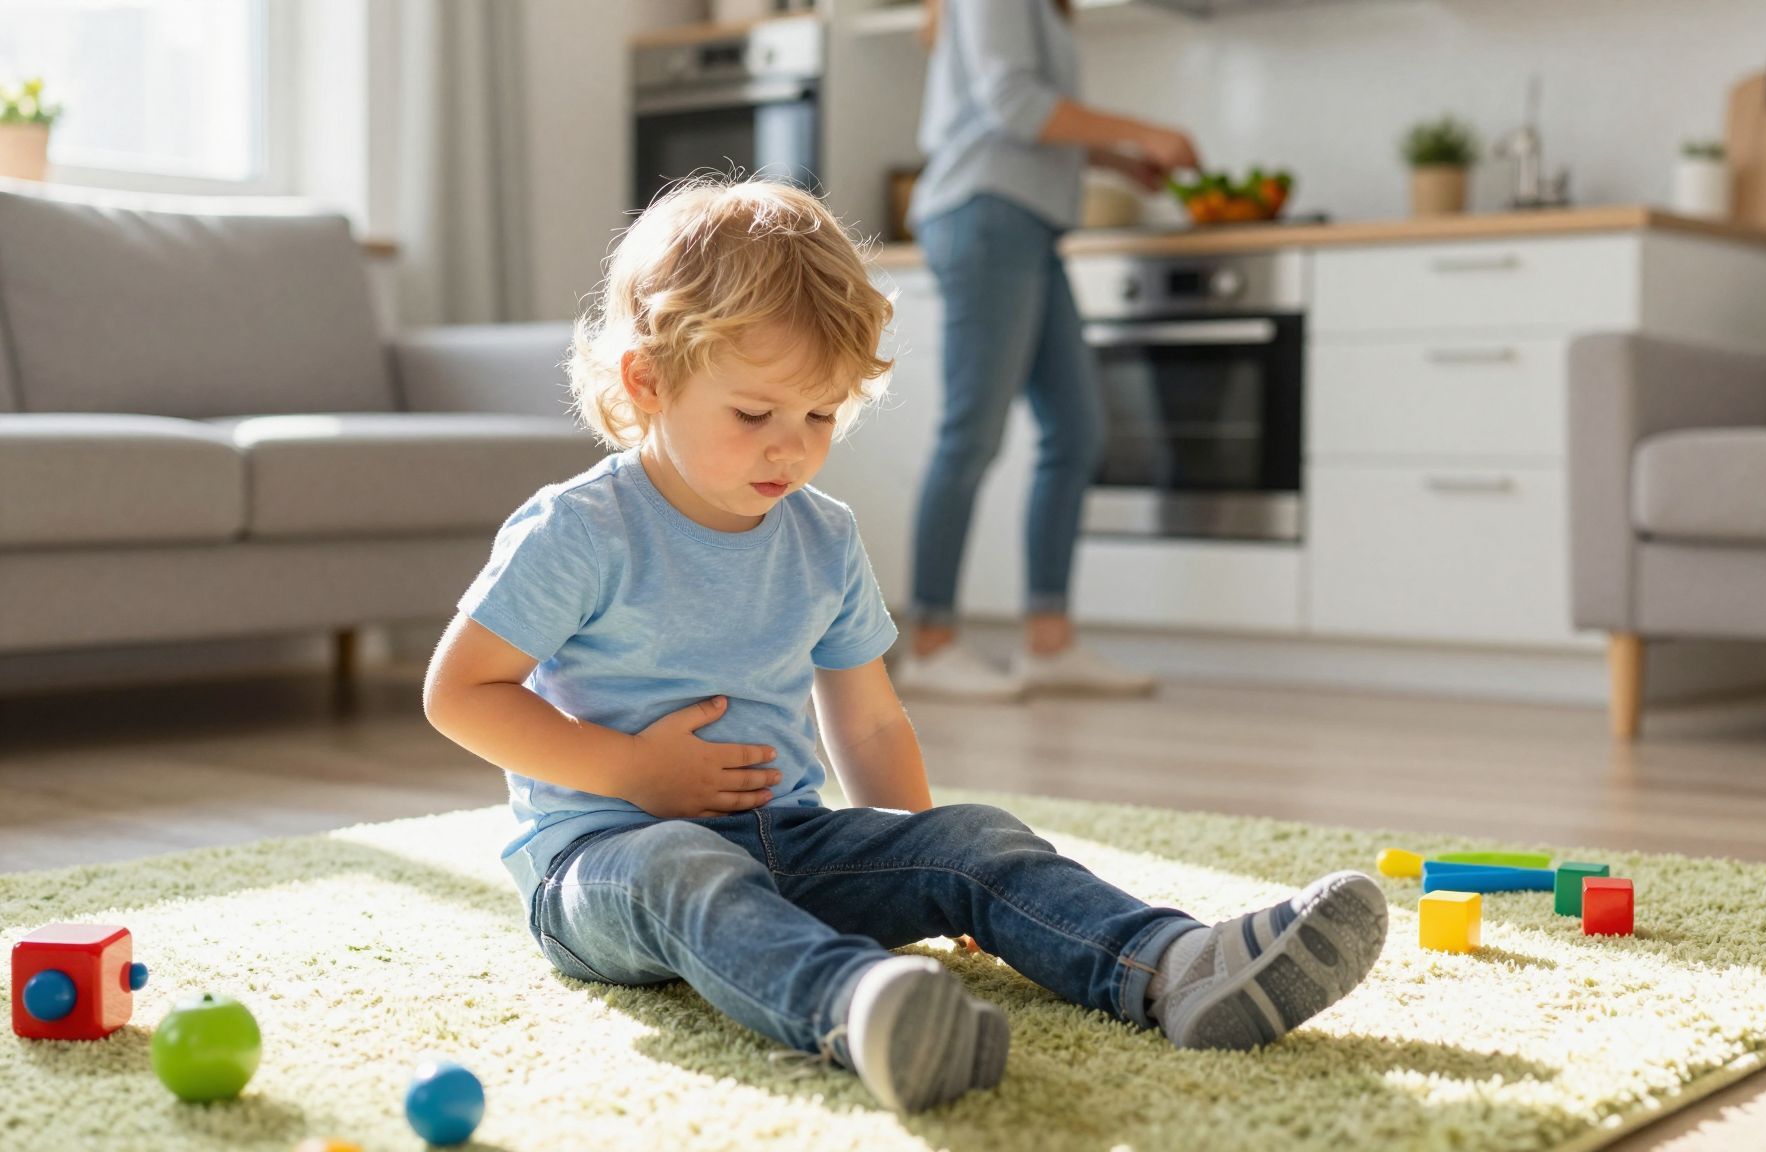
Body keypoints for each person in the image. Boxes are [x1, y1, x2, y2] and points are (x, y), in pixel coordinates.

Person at [421, 180, 1388, 1114]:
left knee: (974, 837)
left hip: (784, 841)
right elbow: (460, 692)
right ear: (649, 380)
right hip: (601, 864)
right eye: (755, 414)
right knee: (684, 866)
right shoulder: (583, 528)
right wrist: (633, 773)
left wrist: (917, 862)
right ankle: (858, 1010)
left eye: (821, 416)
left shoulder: (823, 535)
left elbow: (870, 717)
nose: (789, 449)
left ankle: (1178, 968)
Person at [894, 0, 1206, 702]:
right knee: (970, 434)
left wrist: (1117, 160)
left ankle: (1048, 641)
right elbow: (1014, 104)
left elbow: (1023, 115)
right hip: (984, 214)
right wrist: (1147, 132)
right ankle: (932, 643)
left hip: (1027, 220)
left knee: (1076, 430)